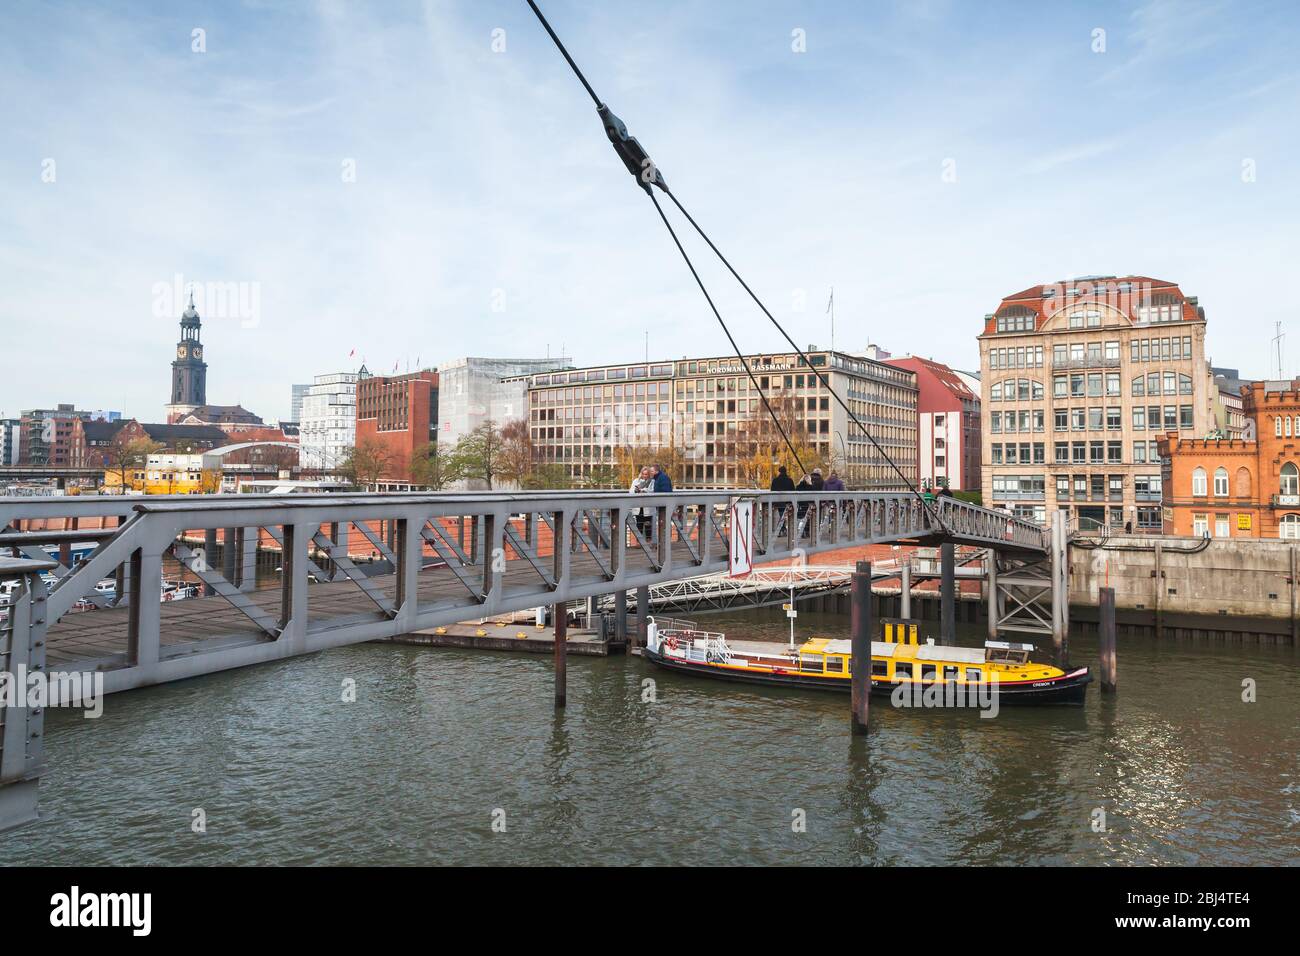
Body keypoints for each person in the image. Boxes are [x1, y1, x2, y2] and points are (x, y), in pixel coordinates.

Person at [629, 466, 653, 538]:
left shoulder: (652, 481)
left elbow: (652, 491)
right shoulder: (636, 481)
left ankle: (648, 541)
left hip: (648, 506)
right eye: (644, 474)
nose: (645, 476)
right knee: (639, 525)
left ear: (649, 474)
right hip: (638, 506)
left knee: (648, 525)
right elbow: (631, 491)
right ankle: (639, 542)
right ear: (641, 474)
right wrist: (636, 491)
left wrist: (643, 490)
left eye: (646, 474)